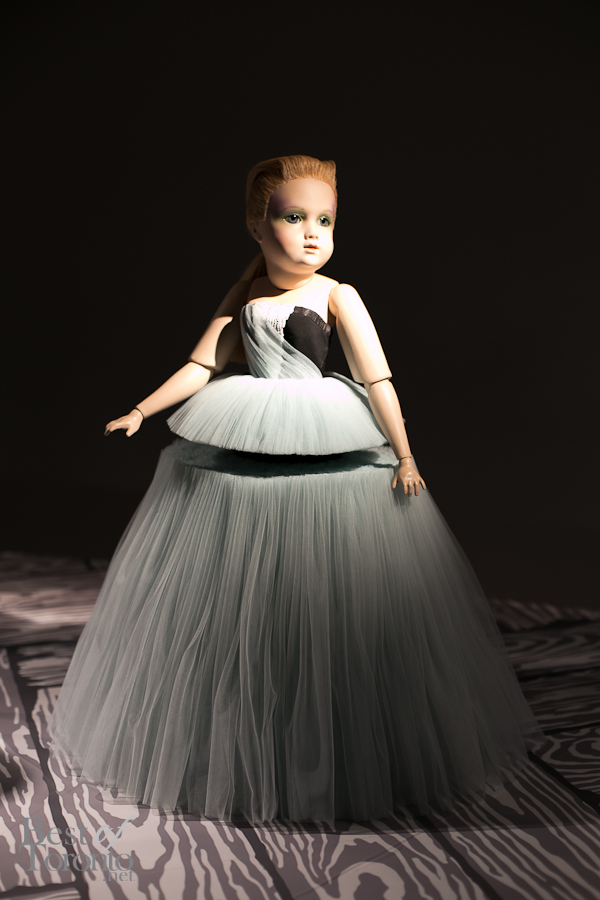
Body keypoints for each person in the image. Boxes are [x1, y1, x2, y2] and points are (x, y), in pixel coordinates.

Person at [49, 154, 542, 826]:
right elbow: (200, 364)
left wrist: (404, 455)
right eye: (293, 217)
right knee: (237, 605)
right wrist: (142, 409)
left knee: (330, 607)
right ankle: (231, 748)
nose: (312, 233)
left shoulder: (338, 295)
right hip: (247, 433)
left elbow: (377, 379)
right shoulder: (245, 293)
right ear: (258, 225)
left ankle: (340, 753)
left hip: (324, 434)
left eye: (325, 221)